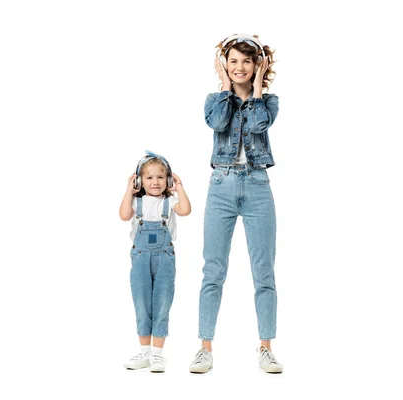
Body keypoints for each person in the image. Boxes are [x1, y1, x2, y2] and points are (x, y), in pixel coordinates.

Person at [188, 34, 284, 374]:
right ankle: (204, 348)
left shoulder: (268, 102)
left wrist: (257, 90)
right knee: (213, 271)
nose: (239, 67)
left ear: (257, 65)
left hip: (258, 185)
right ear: (224, 66)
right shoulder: (215, 100)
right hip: (221, 186)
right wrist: (227, 89)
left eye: (246, 61)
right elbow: (217, 123)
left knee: (264, 272)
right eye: (233, 61)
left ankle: (266, 347)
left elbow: (259, 125)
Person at [119, 150, 191, 373]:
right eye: (149, 177)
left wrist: (178, 187)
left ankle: (158, 355)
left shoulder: (171, 201)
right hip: (140, 258)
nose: (155, 182)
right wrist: (128, 191)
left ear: (167, 179)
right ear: (140, 181)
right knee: (141, 303)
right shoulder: (137, 202)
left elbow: (186, 210)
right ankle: (144, 352)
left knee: (162, 303)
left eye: (161, 177)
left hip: (165, 259)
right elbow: (123, 215)